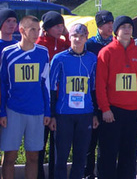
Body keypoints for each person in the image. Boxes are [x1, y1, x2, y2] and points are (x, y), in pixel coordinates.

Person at [95, 15, 137, 179]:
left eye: (130, 27)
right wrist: (105, 109)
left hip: (134, 112)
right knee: (108, 154)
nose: (127, 30)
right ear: (116, 31)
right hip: (112, 112)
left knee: (129, 155)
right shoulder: (106, 52)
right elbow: (101, 84)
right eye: (123, 27)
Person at [0, 15, 51, 179]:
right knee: (10, 157)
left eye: (38, 30)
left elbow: (46, 84)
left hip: (36, 112)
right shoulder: (8, 53)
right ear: (22, 31)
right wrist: (2, 112)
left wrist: (47, 111)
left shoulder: (43, 53)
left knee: (33, 157)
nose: (37, 34)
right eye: (32, 30)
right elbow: (3, 84)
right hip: (13, 110)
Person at [49, 23, 99, 179]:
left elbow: (94, 88)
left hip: (85, 113)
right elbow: (51, 87)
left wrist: (95, 113)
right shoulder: (59, 59)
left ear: (86, 37)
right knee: (61, 157)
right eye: (74, 36)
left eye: (81, 36)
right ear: (69, 37)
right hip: (64, 113)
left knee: (80, 156)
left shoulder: (92, 59)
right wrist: (51, 115)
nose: (78, 39)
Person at [37, 11, 71, 179]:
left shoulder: (64, 44)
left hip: (60, 98)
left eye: (61, 25)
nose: (60, 29)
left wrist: (67, 35)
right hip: (43, 99)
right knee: (40, 144)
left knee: (58, 145)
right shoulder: (40, 44)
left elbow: (75, 51)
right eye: (56, 26)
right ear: (48, 28)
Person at [84, 9, 114, 179]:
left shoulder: (115, 44)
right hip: (92, 95)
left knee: (106, 140)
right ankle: (88, 173)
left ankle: (104, 173)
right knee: (90, 140)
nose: (110, 26)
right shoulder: (89, 45)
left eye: (111, 23)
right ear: (99, 25)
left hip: (111, 97)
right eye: (106, 23)